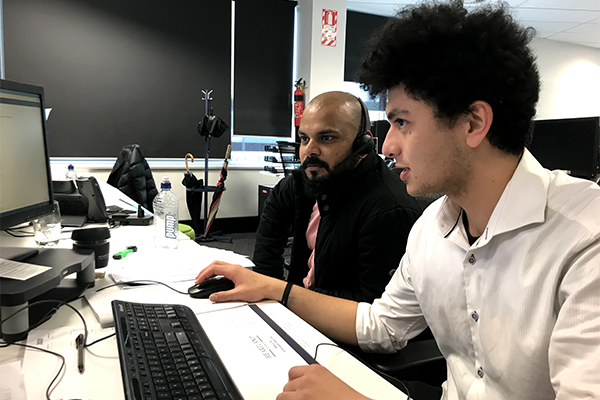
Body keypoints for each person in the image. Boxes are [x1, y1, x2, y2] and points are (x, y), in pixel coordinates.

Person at [196, 2, 600, 400]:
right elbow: (381, 326)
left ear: (473, 123)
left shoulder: (585, 241)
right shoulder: (431, 230)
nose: (388, 146)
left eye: (402, 122)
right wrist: (270, 288)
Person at [253, 91, 421, 303]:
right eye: (304, 139)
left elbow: (372, 310)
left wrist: (286, 296)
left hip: (343, 328)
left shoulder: (388, 210)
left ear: (363, 144)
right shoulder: (305, 180)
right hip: (298, 310)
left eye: (326, 138)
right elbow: (269, 239)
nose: (309, 150)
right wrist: (267, 299)